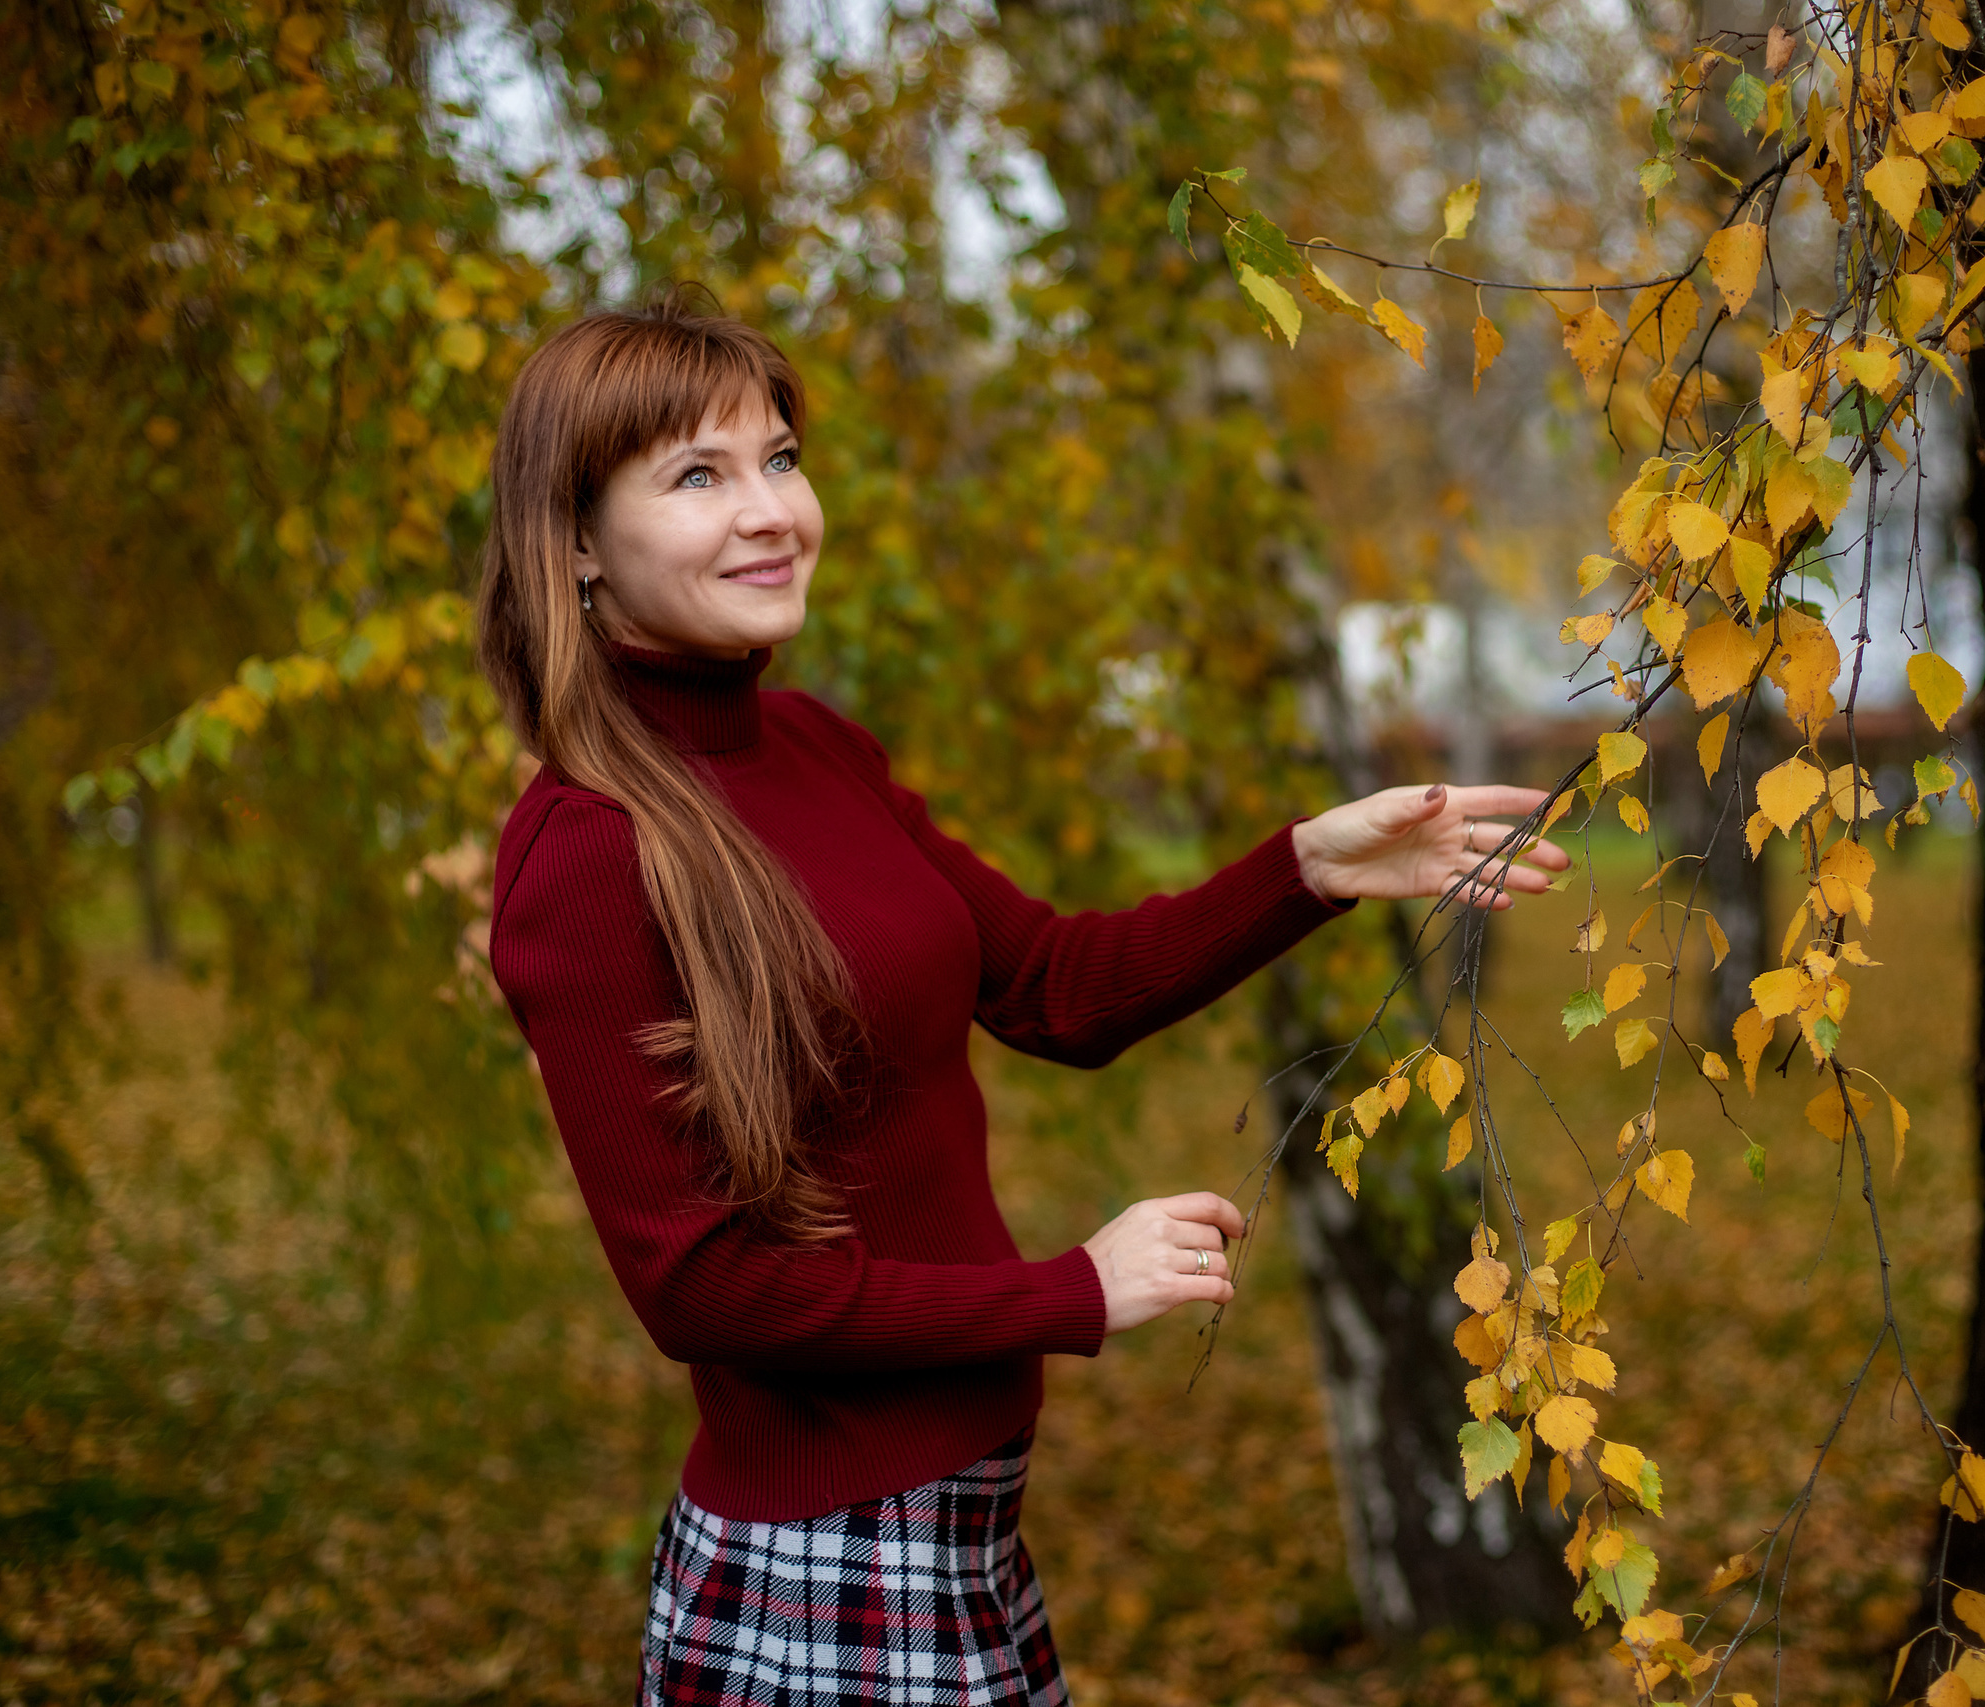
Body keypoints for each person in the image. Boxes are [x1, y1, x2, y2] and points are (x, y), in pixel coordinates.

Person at [477, 291, 1567, 1706]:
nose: (770, 512)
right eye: (698, 475)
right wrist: (1068, 1293)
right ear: (572, 545)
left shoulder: (812, 743)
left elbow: (1056, 989)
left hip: (960, 1533)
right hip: (827, 1569)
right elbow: (704, 1289)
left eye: (780, 459)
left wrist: (1304, 868)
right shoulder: (588, 850)